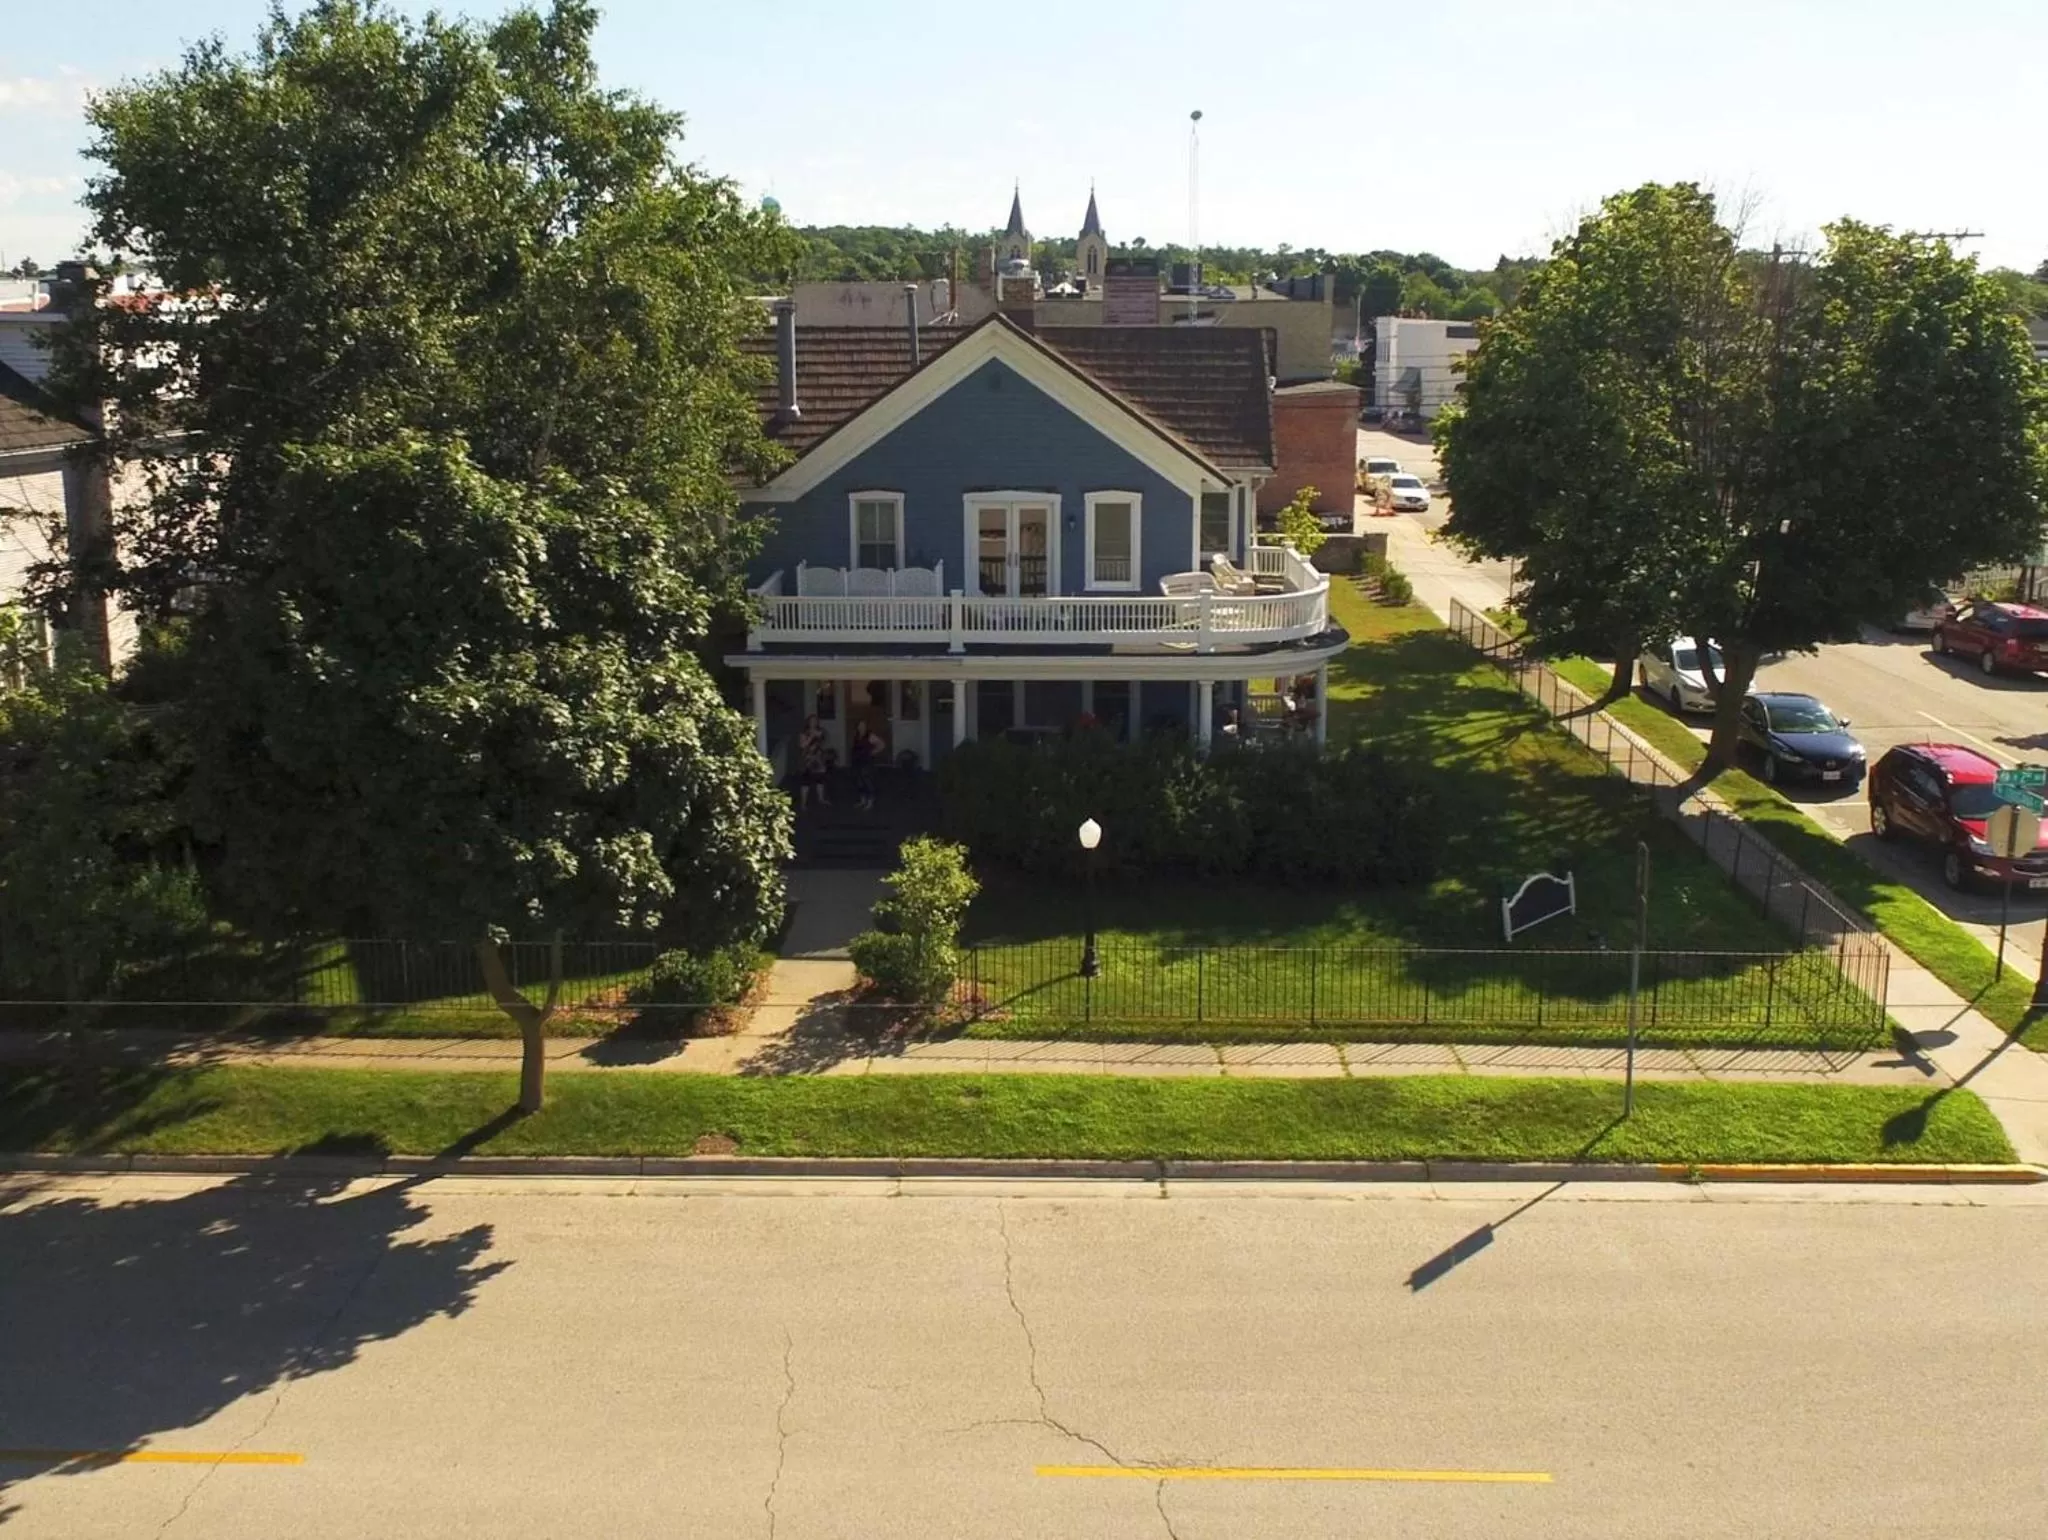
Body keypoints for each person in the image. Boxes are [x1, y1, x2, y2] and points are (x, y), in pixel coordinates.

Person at [850, 720, 884, 811]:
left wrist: (873, 752)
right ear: (857, 727)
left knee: (867, 780)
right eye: (860, 725)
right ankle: (862, 801)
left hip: (867, 762)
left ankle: (870, 802)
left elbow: (881, 744)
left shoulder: (870, 735)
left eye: (863, 725)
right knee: (859, 781)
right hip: (857, 761)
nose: (862, 727)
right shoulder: (856, 736)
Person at [797, 714, 829, 808]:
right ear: (808, 722)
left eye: (815, 720)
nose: (813, 722)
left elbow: (823, 742)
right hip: (808, 759)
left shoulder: (821, 731)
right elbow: (802, 745)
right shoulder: (804, 733)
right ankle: (803, 803)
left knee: (820, 779)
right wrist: (811, 736)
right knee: (806, 780)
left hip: (818, 758)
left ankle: (821, 799)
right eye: (812, 720)